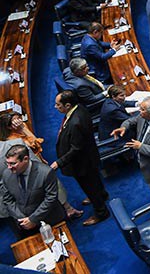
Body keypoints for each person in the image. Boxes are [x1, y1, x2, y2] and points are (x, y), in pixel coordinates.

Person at [51, 91, 109, 226]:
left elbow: (76, 149)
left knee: (90, 187)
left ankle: (101, 213)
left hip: (82, 163)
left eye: (58, 104)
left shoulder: (75, 122)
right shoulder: (79, 108)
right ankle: (103, 195)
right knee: (95, 181)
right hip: (89, 157)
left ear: (67, 105)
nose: (55, 107)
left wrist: (59, 163)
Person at [1, 145, 66, 238]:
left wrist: (33, 219)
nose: (9, 167)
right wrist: (23, 219)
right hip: (24, 225)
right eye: (7, 163)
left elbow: (51, 197)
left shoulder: (45, 172)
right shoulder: (7, 174)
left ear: (26, 159)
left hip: (49, 220)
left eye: (13, 163)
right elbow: (8, 200)